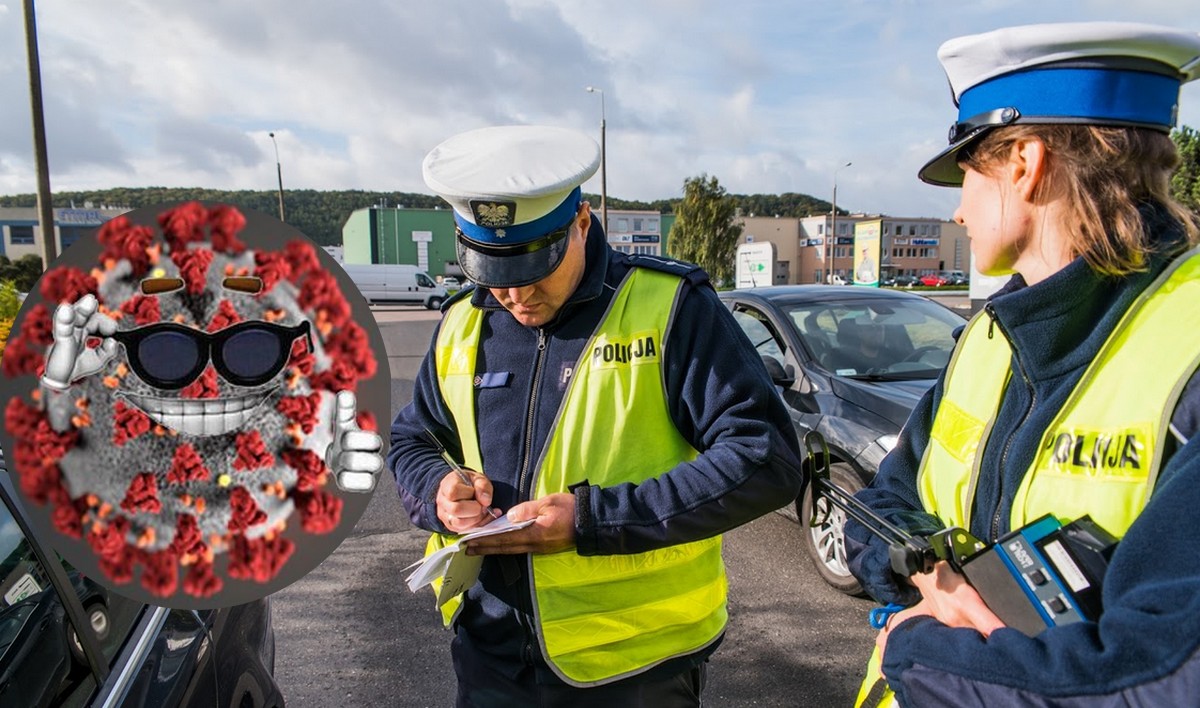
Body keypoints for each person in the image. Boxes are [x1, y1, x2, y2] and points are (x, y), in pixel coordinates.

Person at [844, 22, 1200, 707]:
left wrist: (916, 648)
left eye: (967, 171)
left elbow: (1161, 680)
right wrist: (932, 581)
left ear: (1024, 164)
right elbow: (880, 504)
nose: (956, 208)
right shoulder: (989, 336)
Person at [388, 125, 804, 707]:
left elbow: (767, 459)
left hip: (637, 669)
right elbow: (413, 438)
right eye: (497, 278)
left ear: (582, 222)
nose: (516, 297)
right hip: (490, 656)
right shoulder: (462, 321)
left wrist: (592, 520)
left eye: (536, 270)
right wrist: (437, 488)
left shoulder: (670, 305)